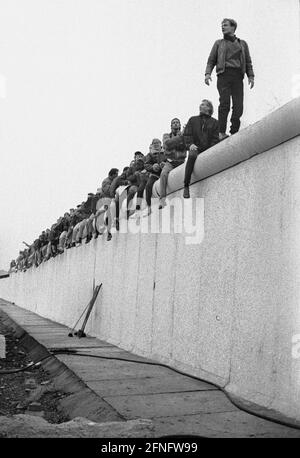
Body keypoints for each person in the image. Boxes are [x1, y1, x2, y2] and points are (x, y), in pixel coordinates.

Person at [205, 18, 255, 139]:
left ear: (233, 27)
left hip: (238, 76)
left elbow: (248, 61)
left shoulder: (242, 44)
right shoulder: (218, 43)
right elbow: (211, 60)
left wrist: (251, 76)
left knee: (239, 106)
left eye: (225, 25)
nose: (223, 27)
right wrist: (207, 74)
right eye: (222, 25)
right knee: (225, 103)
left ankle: (234, 131)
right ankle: (221, 132)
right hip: (224, 75)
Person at [183, 100, 219, 198]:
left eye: (204, 104)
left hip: (208, 148)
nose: (201, 105)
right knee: (192, 155)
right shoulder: (193, 120)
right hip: (195, 147)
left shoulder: (215, 122)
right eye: (201, 104)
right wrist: (190, 144)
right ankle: (186, 185)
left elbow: (215, 139)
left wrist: (210, 149)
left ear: (209, 108)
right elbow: (187, 135)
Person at [159, 135, 187, 209]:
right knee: (163, 174)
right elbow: (165, 154)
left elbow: (183, 153)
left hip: (180, 163)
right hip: (170, 163)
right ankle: (162, 199)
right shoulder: (167, 142)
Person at [142, 139, 165, 216]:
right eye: (154, 143)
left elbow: (169, 160)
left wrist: (164, 164)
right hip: (154, 174)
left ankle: (162, 200)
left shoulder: (165, 152)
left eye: (157, 143)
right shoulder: (150, 155)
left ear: (160, 144)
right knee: (148, 186)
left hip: (164, 172)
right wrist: (153, 167)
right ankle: (148, 206)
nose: (156, 145)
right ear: (152, 145)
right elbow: (146, 165)